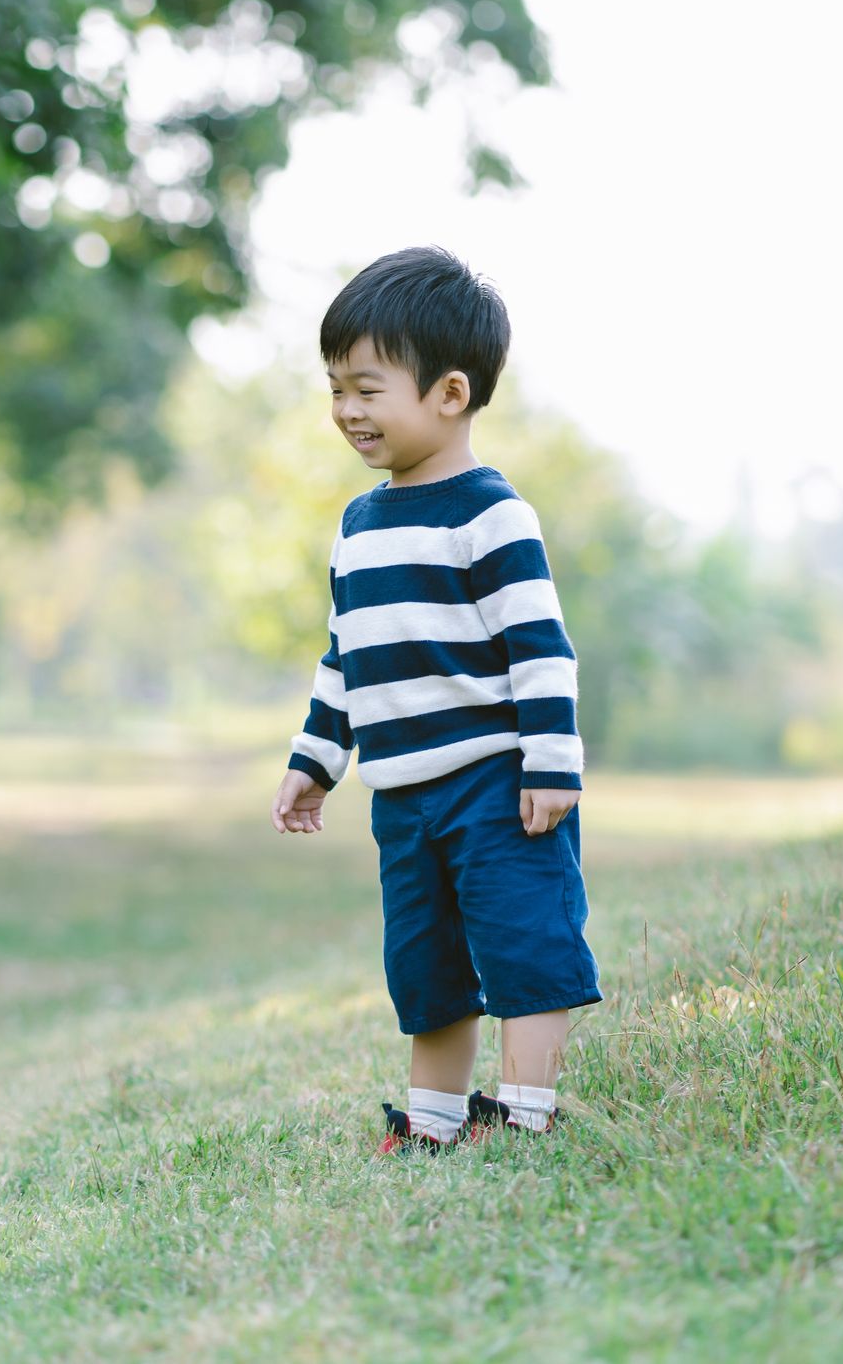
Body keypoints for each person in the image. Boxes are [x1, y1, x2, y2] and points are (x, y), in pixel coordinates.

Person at [270, 246, 602, 1154]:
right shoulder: (357, 524)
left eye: (367, 388)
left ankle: (525, 1118)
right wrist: (315, 759)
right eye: (335, 388)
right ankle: (435, 1124)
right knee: (428, 965)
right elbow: (347, 653)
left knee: (523, 947)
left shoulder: (492, 515)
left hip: (495, 785)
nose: (346, 411)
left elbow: (540, 649)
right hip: (404, 797)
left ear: (449, 394)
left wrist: (550, 763)